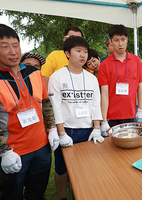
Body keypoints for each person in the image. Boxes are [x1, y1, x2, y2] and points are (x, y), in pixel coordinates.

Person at [0, 24, 59, 200]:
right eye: (5, 46)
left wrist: (52, 129)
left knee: (37, 190)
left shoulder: (34, 72)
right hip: (14, 152)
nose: (13, 51)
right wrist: (4, 152)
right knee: (12, 193)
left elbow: (46, 103)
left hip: (42, 148)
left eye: (16, 45)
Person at [48, 36, 104, 199]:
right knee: (61, 168)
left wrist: (97, 128)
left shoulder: (92, 78)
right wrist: (62, 133)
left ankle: (84, 194)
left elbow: (95, 104)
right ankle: (62, 197)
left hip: (87, 131)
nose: (83, 55)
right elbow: (55, 107)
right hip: (67, 131)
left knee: (87, 167)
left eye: (85, 52)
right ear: (67, 53)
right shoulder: (57, 77)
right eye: (78, 51)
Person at [98, 24, 142, 136]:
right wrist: (104, 120)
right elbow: (104, 94)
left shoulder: (136, 60)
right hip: (111, 116)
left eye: (123, 39)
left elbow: (140, 86)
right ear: (110, 41)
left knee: (130, 145)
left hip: (130, 114)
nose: (120, 44)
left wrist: (141, 109)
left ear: (127, 40)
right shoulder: (104, 65)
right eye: (116, 40)